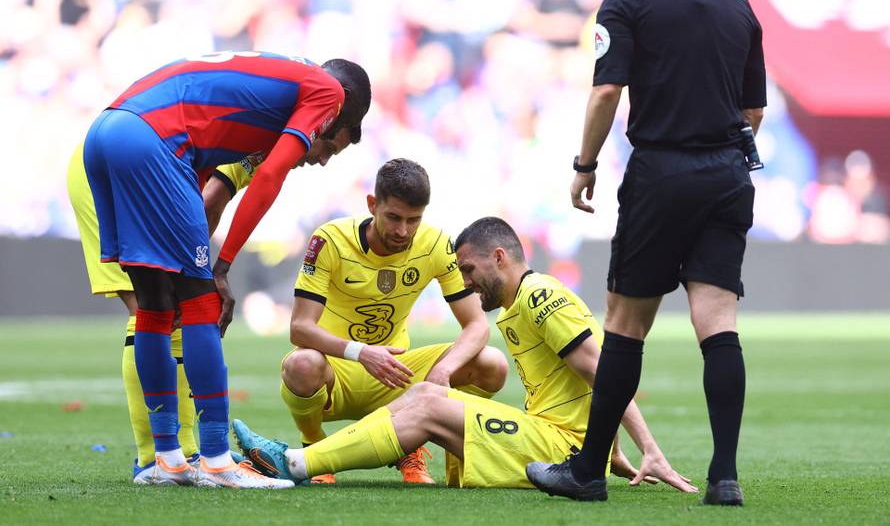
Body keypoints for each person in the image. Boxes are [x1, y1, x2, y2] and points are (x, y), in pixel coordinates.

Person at [526, 0, 766, 506]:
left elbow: (607, 92)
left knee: (626, 325)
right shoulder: (740, 8)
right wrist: (723, 155)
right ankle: (724, 479)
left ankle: (585, 474)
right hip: (727, 175)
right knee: (718, 323)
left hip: (661, 172)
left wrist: (583, 165)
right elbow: (753, 110)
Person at [231, 216, 692, 492]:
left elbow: (601, 372)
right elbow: (580, 387)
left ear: (499, 257)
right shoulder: (515, 310)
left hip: (562, 446)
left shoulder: (539, 296)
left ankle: (292, 464)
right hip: (558, 437)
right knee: (427, 394)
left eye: (469, 269)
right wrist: (608, 450)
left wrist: (646, 449)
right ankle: (297, 455)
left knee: (430, 402)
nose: (466, 282)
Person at [81, 50, 371, 488]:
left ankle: (168, 460)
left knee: (157, 307)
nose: (323, 156)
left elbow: (199, 174)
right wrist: (222, 266)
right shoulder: (326, 90)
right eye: (330, 140)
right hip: (151, 141)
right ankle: (217, 460)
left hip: (106, 132)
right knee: (201, 302)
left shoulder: (266, 93)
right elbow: (271, 176)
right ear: (343, 103)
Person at [235, 159, 508, 484]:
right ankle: (315, 448)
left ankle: (423, 451)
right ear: (372, 204)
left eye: (413, 220)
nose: (402, 231)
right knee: (301, 364)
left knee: (492, 363)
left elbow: (477, 325)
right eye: (393, 217)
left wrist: (444, 370)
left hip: (397, 374)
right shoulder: (330, 240)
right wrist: (362, 353)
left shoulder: (436, 245)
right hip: (337, 373)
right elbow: (300, 328)